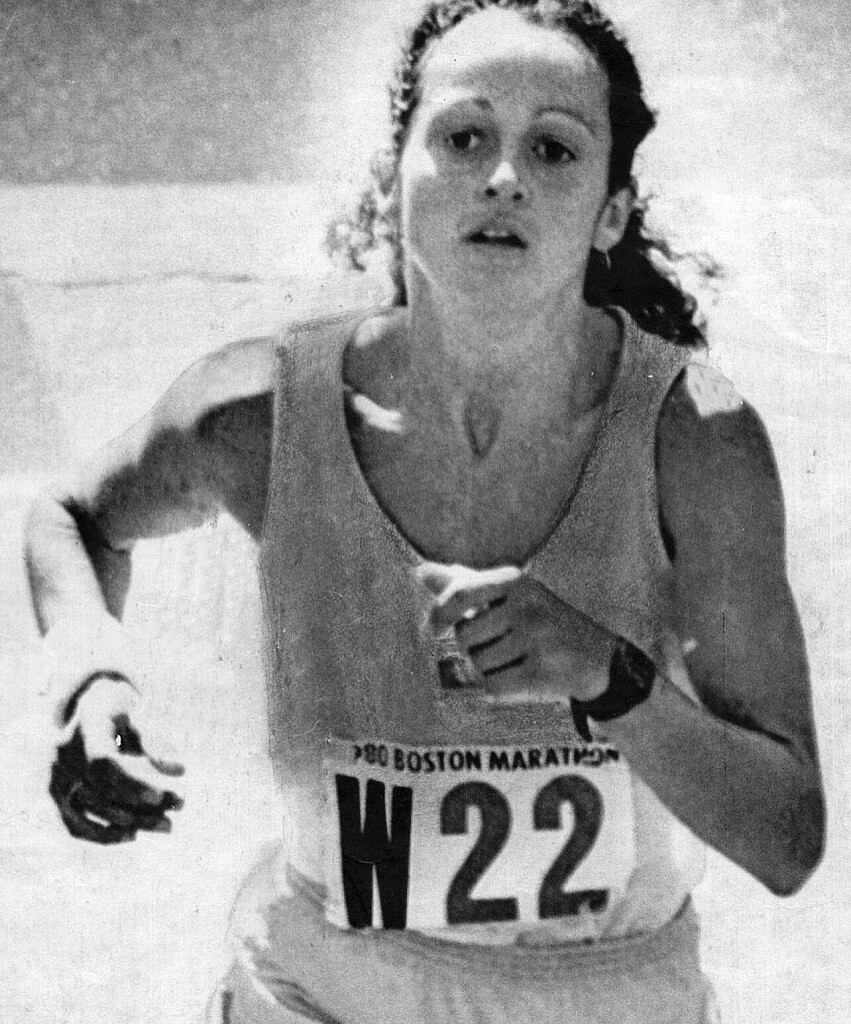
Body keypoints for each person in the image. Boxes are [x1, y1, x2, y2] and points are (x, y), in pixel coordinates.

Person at [24, 1, 826, 1021]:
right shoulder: (258, 414)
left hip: (606, 1001)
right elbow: (73, 518)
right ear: (390, 177)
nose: (503, 176)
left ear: (610, 213)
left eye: (553, 148)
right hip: (317, 997)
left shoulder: (693, 439)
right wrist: (89, 673)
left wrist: (607, 677)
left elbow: (786, 838)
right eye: (462, 137)